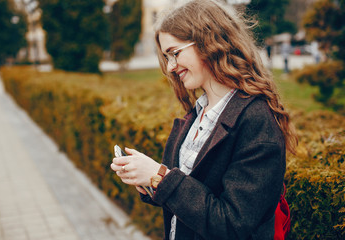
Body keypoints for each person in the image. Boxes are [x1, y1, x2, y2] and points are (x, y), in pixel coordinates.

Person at [111, 0, 297, 239]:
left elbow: (233, 224)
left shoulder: (256, 120)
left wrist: (161, 177)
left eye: (174, 53)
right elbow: (191, 193)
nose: (170, 67)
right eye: (167, 57)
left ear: (208, 43)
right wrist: (150, 181)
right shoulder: (198, 113)